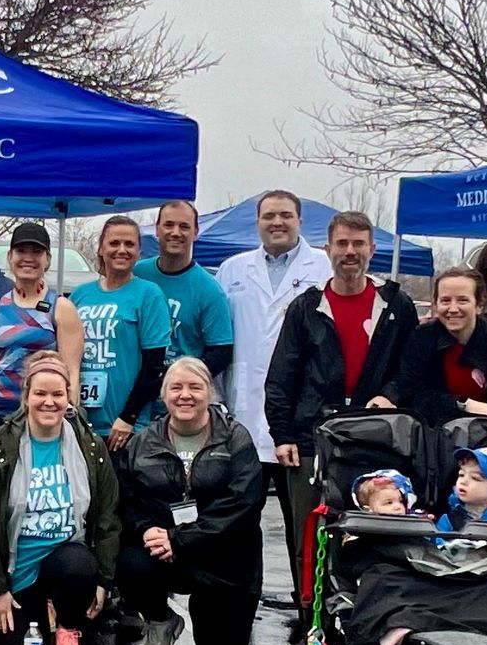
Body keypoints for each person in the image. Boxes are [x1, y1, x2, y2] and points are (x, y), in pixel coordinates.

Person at [263, 210, 416, 629]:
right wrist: (283, 433)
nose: (350, 252)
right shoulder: (307, 307)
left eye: (359, 244)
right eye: (342, 244)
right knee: (308, 536)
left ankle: (374, 615)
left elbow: (411, 369)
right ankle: (311, 617)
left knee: (377, 528)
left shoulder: (397, 305)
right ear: (328, 249)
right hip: (312, 437)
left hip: (374, 436)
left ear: (372, 249)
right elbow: (282, 375)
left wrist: (392, 395)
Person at [0, 355, 119, 645]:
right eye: (40, 394)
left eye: (57, 394)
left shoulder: (89, 446)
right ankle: (17, 608)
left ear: (69, 397)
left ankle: (66, 629)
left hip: (64, 559)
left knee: (79, 565)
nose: (49, 402)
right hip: (16, 569)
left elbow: (107, 516)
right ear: (26, 397)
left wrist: (102, 580)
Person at [218, 190, 331, 602]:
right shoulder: (232, 270)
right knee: (241, 526)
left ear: (301, 220)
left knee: (301, 526)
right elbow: (220, 339)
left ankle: (309, 613)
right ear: (258, 222)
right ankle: (241, 607)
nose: (277, 223)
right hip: (243, 414)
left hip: (297, 422)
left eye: (285, 215)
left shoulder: (323, 268)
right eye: (268, 216)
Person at [115, 356, 265, 645]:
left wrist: (179, 539)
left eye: (195, 387)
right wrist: (147, 530)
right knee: (127, 560)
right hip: (164, 550)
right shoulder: (141, 443)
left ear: (209, 393)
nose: (185, 395)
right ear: (163, 394)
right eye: (176, 387)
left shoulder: (236, 439)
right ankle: (160, 619)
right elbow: (128, 501)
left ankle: (211, 615)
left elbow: (243, 505)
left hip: (222, 556)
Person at [0, 221, 85, 454]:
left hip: (43, 420)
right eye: (21, 251)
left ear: (47, 260)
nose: (28, 258)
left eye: (36, 252)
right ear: (10, 257)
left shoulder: (61, 308)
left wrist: (66, 419)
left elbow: (71, 373)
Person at [71, 215, 172, 452]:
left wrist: (129, 417)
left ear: (139, 251)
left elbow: (154, 366)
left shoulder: (148, 294)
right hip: (82, 423)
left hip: (124, 428)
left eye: (129, 244)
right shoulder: (80, 295)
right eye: (114, 243)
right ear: (101, 248)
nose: (122, 250)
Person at [396, 266, 487, 425]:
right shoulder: (421, 339)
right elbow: (410, 395)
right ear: (435, 305)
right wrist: (463, 405)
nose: (453, 309)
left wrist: (485, 412)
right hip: (434, 434)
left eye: (463, 300)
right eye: (445, 301)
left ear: (479, 305)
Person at [133, 199, 234, 387]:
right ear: (157, 229)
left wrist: (180, 379)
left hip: (177, 404)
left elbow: (221, 353)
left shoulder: (209, 290)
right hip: (131, 394)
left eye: (184, 226)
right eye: (169, 225)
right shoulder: (137, 274)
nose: (175, 232)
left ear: (196, 232)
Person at [438, 447, 487, 531]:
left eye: (475, 478)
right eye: (461, 475)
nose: (463, 481)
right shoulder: (449, 518)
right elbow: (435, 542)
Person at [353, 470, 419, 517]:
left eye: (401, 501)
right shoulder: (360, 529)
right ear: (368, 510)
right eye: (389, 503)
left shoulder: (412, 519)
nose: (398, 507)